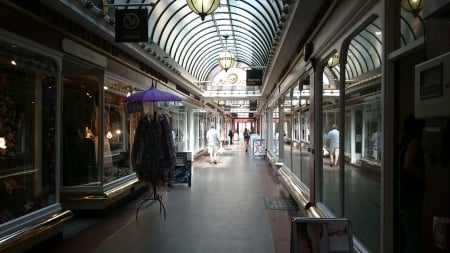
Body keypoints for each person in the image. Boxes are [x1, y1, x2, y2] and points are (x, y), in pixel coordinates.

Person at [398, 114, 426, 253]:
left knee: (407, 222)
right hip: (411, 189)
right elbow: (408, 165)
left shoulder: (404, 140)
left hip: (403, 186)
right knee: (413, 226)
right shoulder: (415, 142)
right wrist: (425, 177)